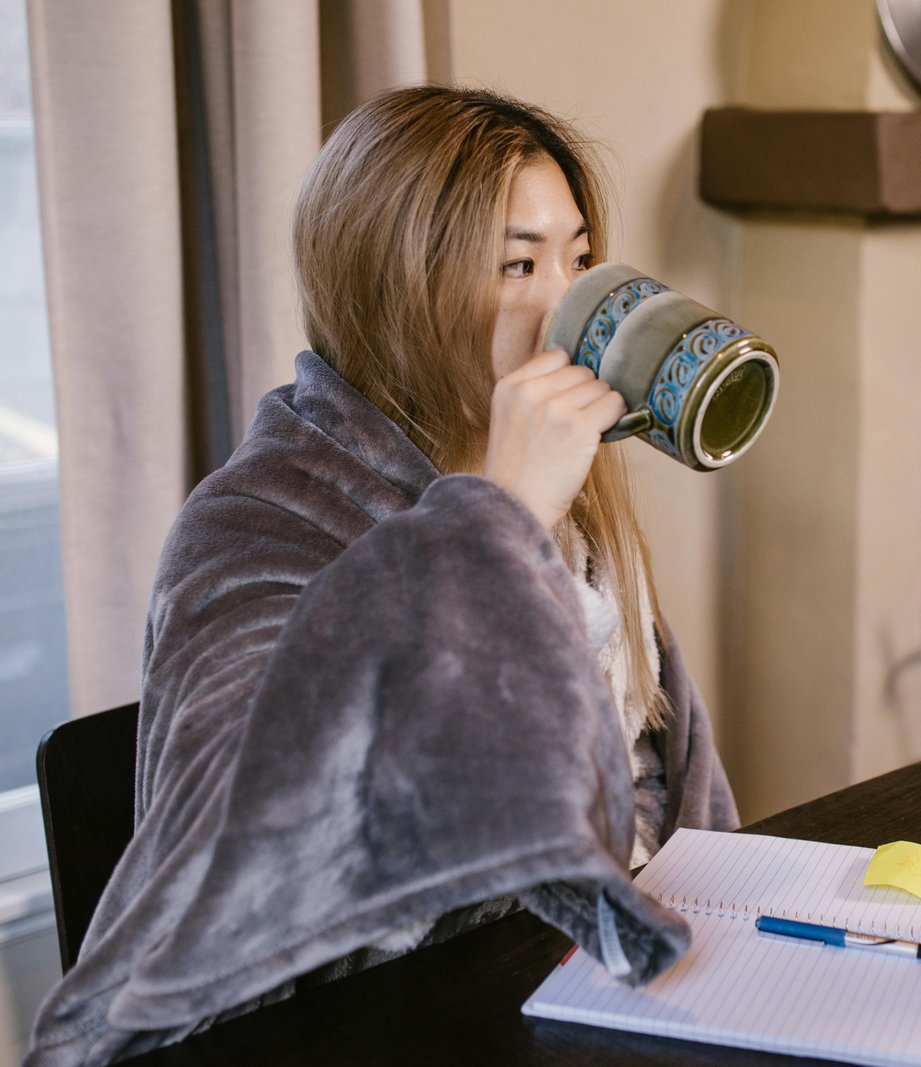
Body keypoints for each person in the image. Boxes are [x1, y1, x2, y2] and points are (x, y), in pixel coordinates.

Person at [27, 85, 738, 1065]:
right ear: (396, 290)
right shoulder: (257, 522)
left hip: (596, 996)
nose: (565, 304)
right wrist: (500, 516)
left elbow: (653, 769)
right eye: (517, 264)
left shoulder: (573, 496)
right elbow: (259, 842)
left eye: (578, 260)